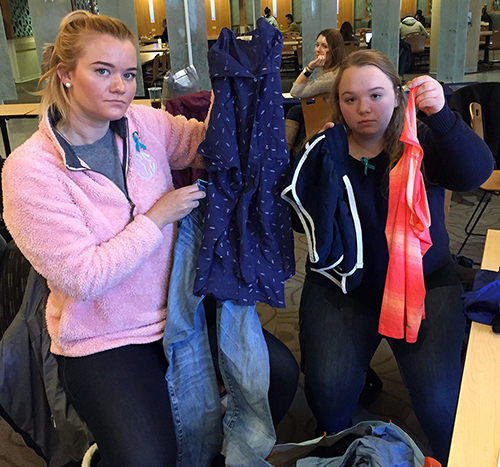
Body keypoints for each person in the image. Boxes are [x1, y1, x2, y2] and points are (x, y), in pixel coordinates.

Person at [2, 10, 298, 466]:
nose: (121, 86)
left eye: (128, 73)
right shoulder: (30, 171)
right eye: (103, 72)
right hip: (105, 336)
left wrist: (239, 91)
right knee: (146, 457)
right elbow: (83, 277)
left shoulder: (144, 124)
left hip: (184, 311)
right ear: (65, 75)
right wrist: (157, 217)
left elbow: (207, 144)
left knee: (277, 374)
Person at [295, 50, 493, 466]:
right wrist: (321, 173)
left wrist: (442, 116)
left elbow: (476, 173)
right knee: (328, 400)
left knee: (441, 407)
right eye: (350, 99)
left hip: (423, 283)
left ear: (398, 94)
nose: (364, 108)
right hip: (344, 287)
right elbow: (301, 224)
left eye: (376, 94)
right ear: (338, 103)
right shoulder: (326, 149)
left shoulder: (419, 142)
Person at [286, 29, 345, 156]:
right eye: (317, 44)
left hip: (331, 118)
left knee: (295, 112)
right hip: (332, 115)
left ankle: (284, 154)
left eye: (324, 46)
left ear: (334, 50)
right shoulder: (340, 70)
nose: (318, 49)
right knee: (297, 113)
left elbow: (295, 92)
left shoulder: (330, 77)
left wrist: (309, 68)